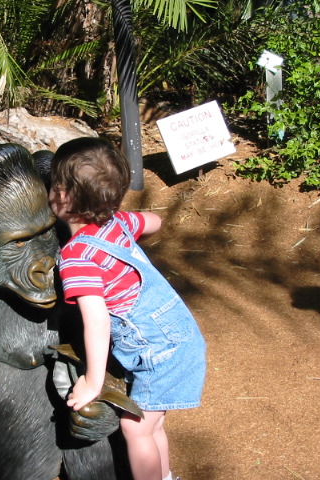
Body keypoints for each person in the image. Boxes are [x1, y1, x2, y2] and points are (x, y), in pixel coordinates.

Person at [49, 137, 206, 480]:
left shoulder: (77, 257)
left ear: (62, 196)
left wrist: (92, 380)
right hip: (177, 336)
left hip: (160, 351)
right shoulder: (117, 223)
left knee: (135, 429)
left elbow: (97, 321)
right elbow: (154, 222)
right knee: (152, 424)